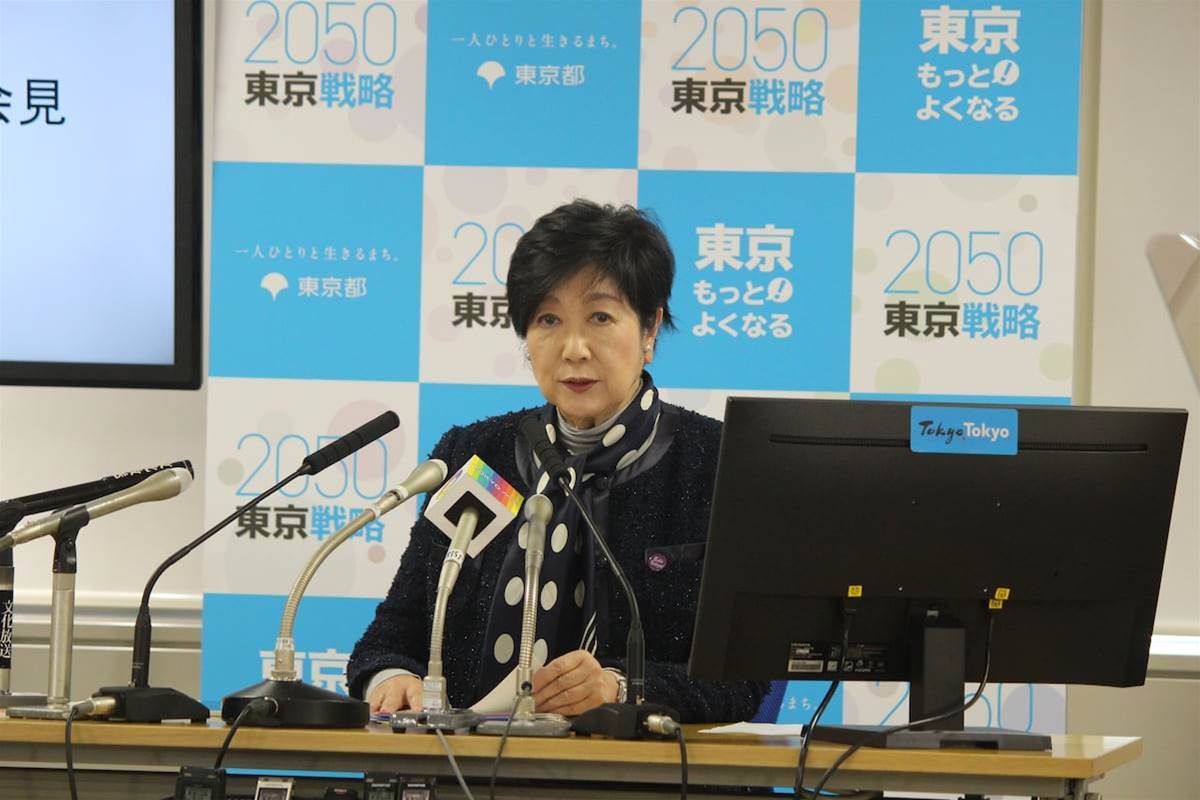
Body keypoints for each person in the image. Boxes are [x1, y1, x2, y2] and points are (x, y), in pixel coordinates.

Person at [347, 199, 768, 722]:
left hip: (644, 764)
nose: (573, 348)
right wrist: (392, 678)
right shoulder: (475, 456)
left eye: (600, 317)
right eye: (548, 319)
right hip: (470, 759)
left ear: (649, 330)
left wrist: (620, 688)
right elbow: (389, 639)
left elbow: (743, 681)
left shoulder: (717, 464)